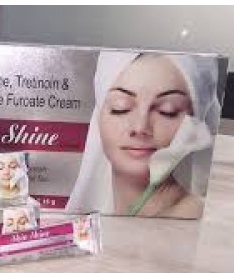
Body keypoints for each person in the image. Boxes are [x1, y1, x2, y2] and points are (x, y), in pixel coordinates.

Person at [66, 51, 220, 219]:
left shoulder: (190, 218)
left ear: (196, 121)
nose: (140, 127)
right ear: (99, 117)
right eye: (121, 108)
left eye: (167, 110)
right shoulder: (94, 220)